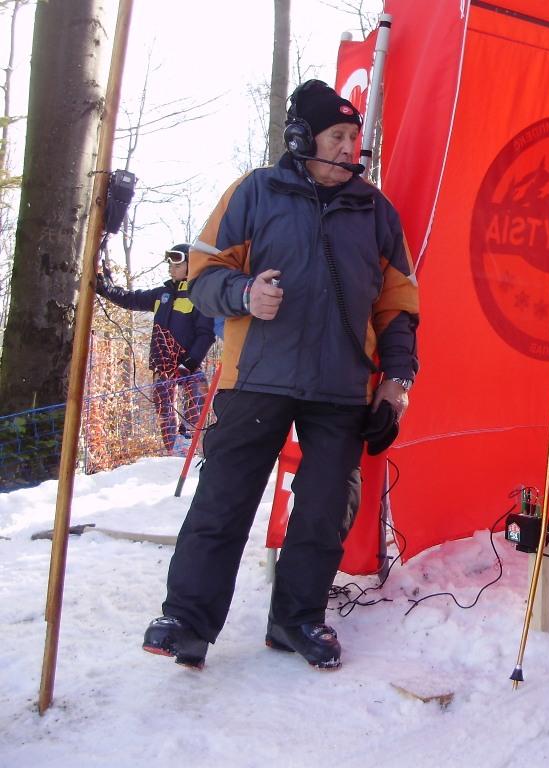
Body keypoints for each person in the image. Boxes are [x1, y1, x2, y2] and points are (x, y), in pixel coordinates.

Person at [141, 79, 420, 671]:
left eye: (353, 137)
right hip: (257, 379)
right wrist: (244, 293)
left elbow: (398, 305)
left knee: (324, 508)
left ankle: (297, 620)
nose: (348, 147)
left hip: (341, 388)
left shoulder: (376, 211)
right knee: (223, 501)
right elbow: (202, 275)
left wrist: (396, 384)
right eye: (336, 136)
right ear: (301, 138)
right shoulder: (254, 192)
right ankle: (186, 621)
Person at [97, 244, 215, 453]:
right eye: (170, 264)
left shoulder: (199, 296)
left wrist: (190, 362)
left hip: (188, 364)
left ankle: (187, 437)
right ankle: (173, 449)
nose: (171, 268)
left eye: (177, 265)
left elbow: (205, 334)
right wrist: (106, 287)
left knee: (199, 396)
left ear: (191, 266)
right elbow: (130, 298)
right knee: (163, 407)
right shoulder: (162, 294)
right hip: (163, 365)